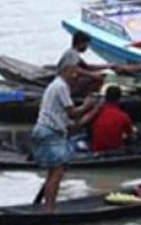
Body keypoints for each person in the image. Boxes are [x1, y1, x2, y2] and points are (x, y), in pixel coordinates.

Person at [32, 61, 84, 210]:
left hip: (45, 129)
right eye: (74, 72)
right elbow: (72, 112)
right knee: (57, 172)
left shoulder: (56, 85)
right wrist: (88, 106)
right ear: (67, 70)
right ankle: (49, 209)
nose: (76, 76)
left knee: (52, 172)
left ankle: (46, 205)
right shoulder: (61, 86)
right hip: (50, 131)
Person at [84, 85, 134, 153]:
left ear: (105, 97)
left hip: (96, 150)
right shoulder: (123, 116)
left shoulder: (95, 113)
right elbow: (131, 135)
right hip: (116, 150)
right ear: (119, 98)